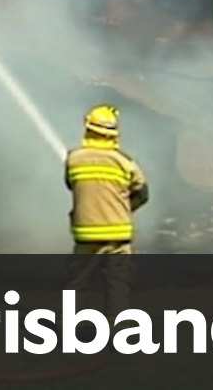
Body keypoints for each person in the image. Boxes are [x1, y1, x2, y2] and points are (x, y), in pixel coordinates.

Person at [64, 104, 148, 318]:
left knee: (77, 285)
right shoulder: (125, 163)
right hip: (118, 237)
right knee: (118, 287)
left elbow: (71, 185)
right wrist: (123, 208)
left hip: (86, 237)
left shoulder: (74, 159)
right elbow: (142, 193)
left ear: (88, 128)